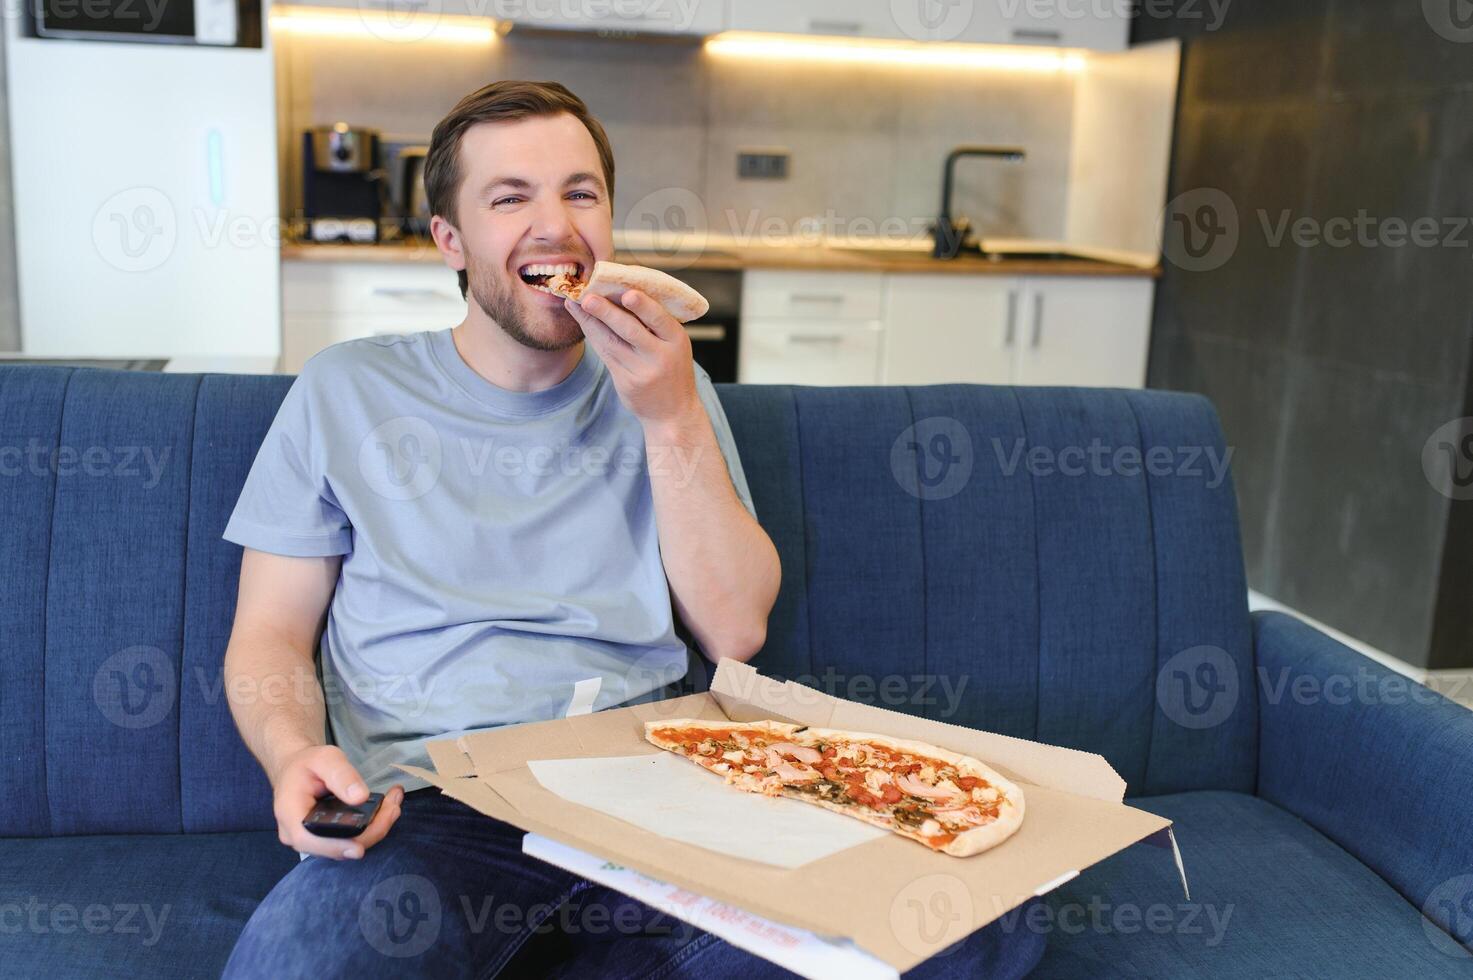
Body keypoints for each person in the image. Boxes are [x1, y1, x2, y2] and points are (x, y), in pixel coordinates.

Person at [220, 80, 1040, 979]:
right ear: (448, 241)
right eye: (509, 197)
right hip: (431, 803)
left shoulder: (667, 389)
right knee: (304, 964)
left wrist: (668, 415)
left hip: (655, 786)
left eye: (580, 193)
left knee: (971, 930)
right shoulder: (347, 389)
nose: (554, 225)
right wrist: (293, 754)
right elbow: (269, 635)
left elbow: (734, 631)